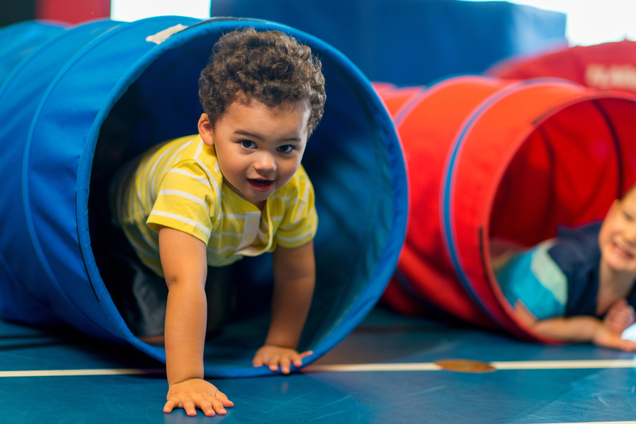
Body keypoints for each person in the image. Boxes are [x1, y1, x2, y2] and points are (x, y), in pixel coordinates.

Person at [107, 27, 326, 417]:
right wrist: (187, 377)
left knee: (214, 319)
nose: (266, 164)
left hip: (214, 245)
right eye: (247, 143)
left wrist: (281, 341)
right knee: (161, 335)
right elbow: (184, 282)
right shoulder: (190, 182)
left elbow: (296, 272)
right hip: (128, 237)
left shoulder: (294, 188)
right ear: (208, 129)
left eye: (287, 147)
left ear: (306, 138)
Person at [492, 184, 636, 351]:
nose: (629, 236)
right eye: (627, 217)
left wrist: (622, 322)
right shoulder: (561, 270)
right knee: (499, 258)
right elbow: (525, 321)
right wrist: (593, 330)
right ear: (612, 211)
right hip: (498, 273)